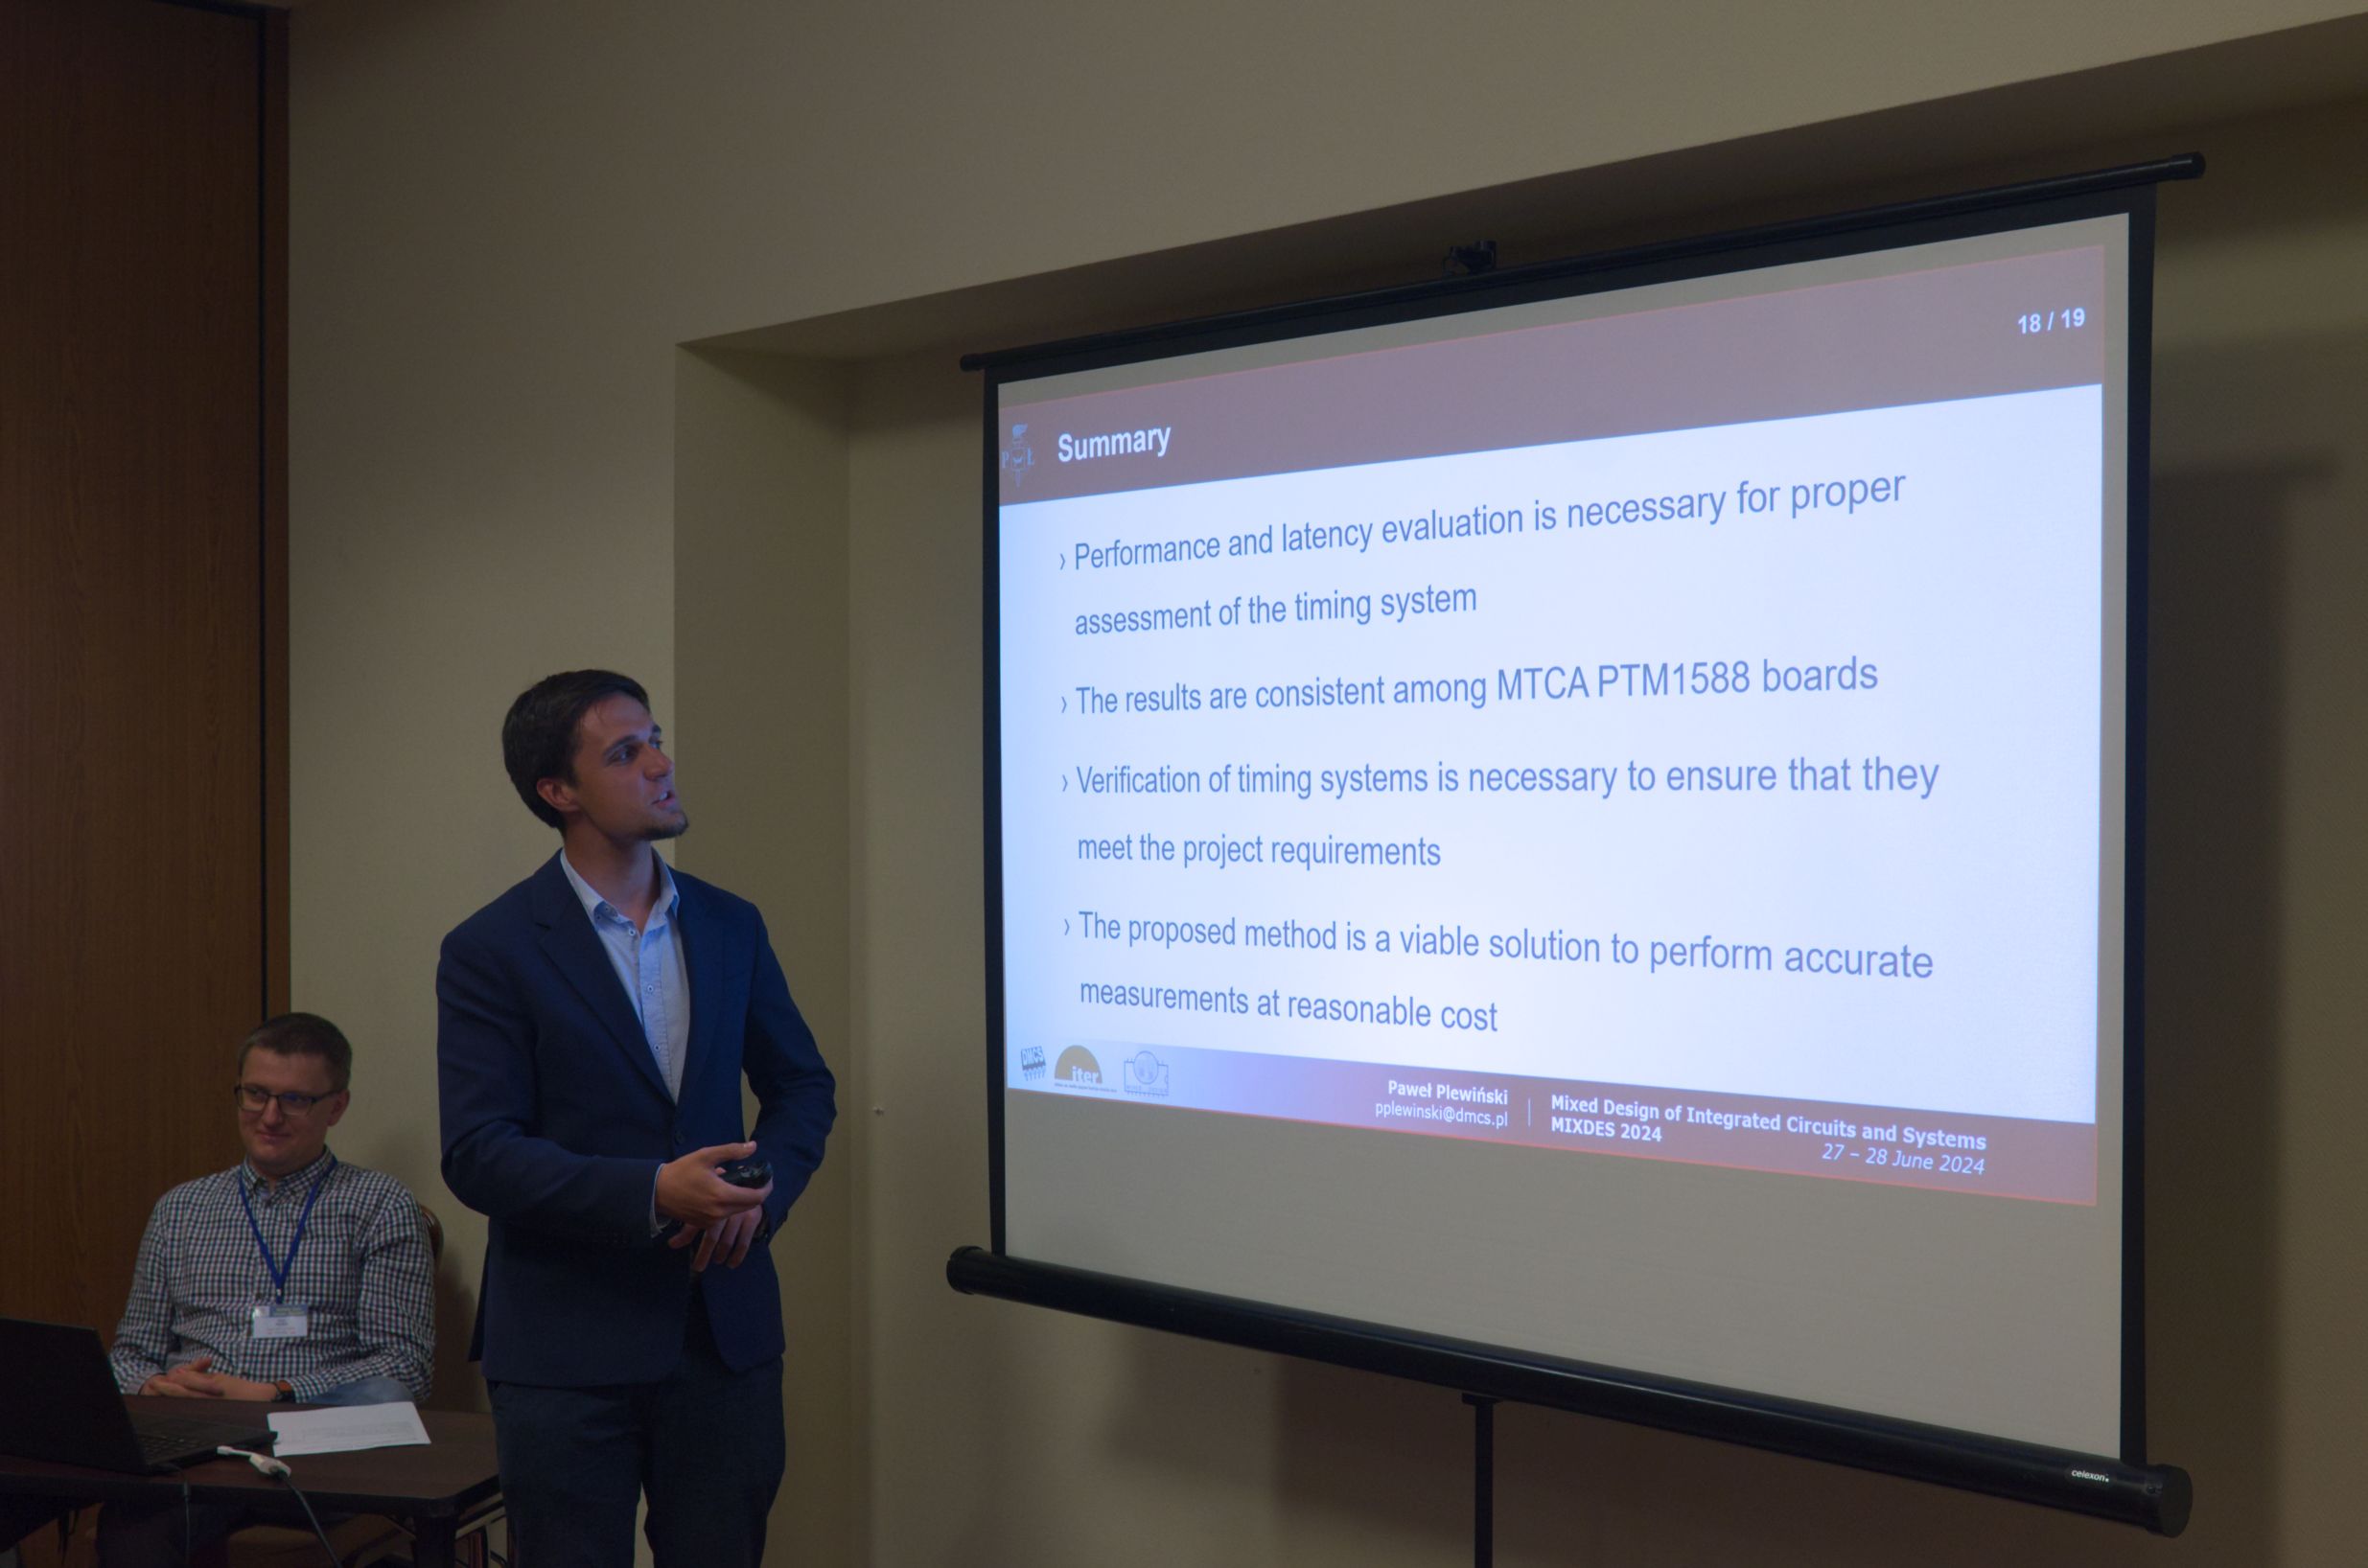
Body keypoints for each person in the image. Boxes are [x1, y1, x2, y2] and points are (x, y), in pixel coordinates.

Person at [436, 670, 836, 1568]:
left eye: (654, 740)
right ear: (559, 791)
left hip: (720, 1335)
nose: (660, 764)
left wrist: (759, 1195)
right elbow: (479, 1152)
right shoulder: (491, 948)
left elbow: (803, 1087)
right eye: (625, 753)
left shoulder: (731, 925)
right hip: (566, 1352)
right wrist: (654, 1192)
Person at [0, 1012, 434, 1566]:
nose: (270, 1116)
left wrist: (273, 1393)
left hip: (308, 1445)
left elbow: (404, 1368)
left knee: (136, 1534)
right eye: (256, 1094)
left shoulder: (380, 1205)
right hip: (188, 1442)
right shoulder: (182, 1209)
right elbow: (129, 1354)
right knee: (67, 1503)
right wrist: (155, 1384)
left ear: (336, 1107)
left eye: (294, 1100)